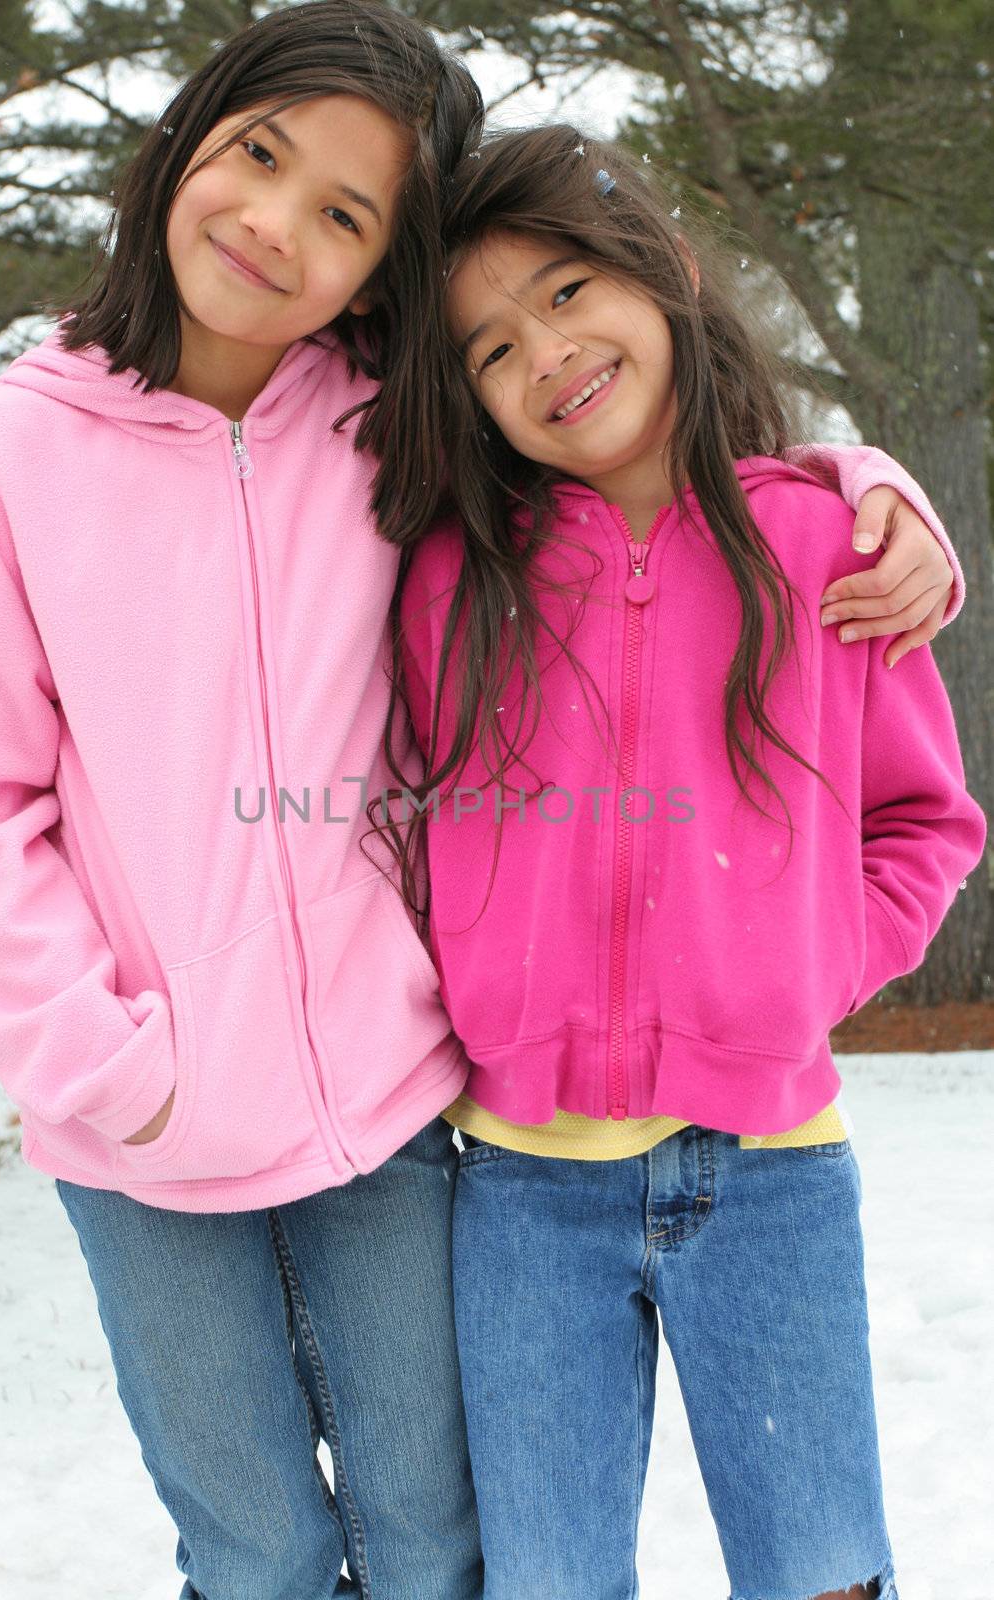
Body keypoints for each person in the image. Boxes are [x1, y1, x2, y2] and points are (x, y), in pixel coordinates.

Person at [0, 1, 964, 1590]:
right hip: (171, 1131)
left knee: (448, 1543)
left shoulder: (385, 434)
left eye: (344, 215)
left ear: (376, 269)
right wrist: (102, 1066)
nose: (277, 225)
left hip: (419, 1108)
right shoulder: (15, 460)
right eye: (261, 156)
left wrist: (864, 489)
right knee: (260, 1548)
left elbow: (678, 524)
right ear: (188, 134)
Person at [393, 125, 987, 1600]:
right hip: (523, 1192)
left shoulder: (824, 544)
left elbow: (926, 825)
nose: (546, 352)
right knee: (547, 1579)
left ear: (661, 277)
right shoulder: (458, 578)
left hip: (772, 1178)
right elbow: (393, 818)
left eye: (569, 289)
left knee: (824, 1572)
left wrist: (813, 967)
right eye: (488, 348)